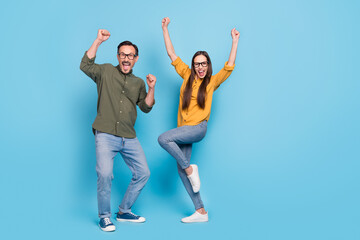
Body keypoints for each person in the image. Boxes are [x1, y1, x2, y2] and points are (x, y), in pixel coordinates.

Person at [158, 17, 240, 223]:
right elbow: (171, 53)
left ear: (207, 65)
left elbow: (229, 66)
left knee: (163, 139)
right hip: (183, 129)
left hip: (198, 128)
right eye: (197, 64)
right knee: (181, 170)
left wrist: (235, 41)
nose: (200, 67)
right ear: (193, 66)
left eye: (203, 64)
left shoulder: (212, 82)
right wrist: (165, 28)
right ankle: (201, 211)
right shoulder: (186, 75)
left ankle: (190, 168)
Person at [80, 29, 156, 231]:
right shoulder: (105, 71)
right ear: (118, 56)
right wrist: (98, 40)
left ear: (136, 59)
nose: (126, 58)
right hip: (105, 134)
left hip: (128, 136)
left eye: (130, 55)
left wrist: (151, 88)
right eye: (122, 54)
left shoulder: (138, 82)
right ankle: (104, 216)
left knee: (143, 172)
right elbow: (85, 65)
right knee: (105, 174)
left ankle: (124, 211)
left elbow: (146, 107)